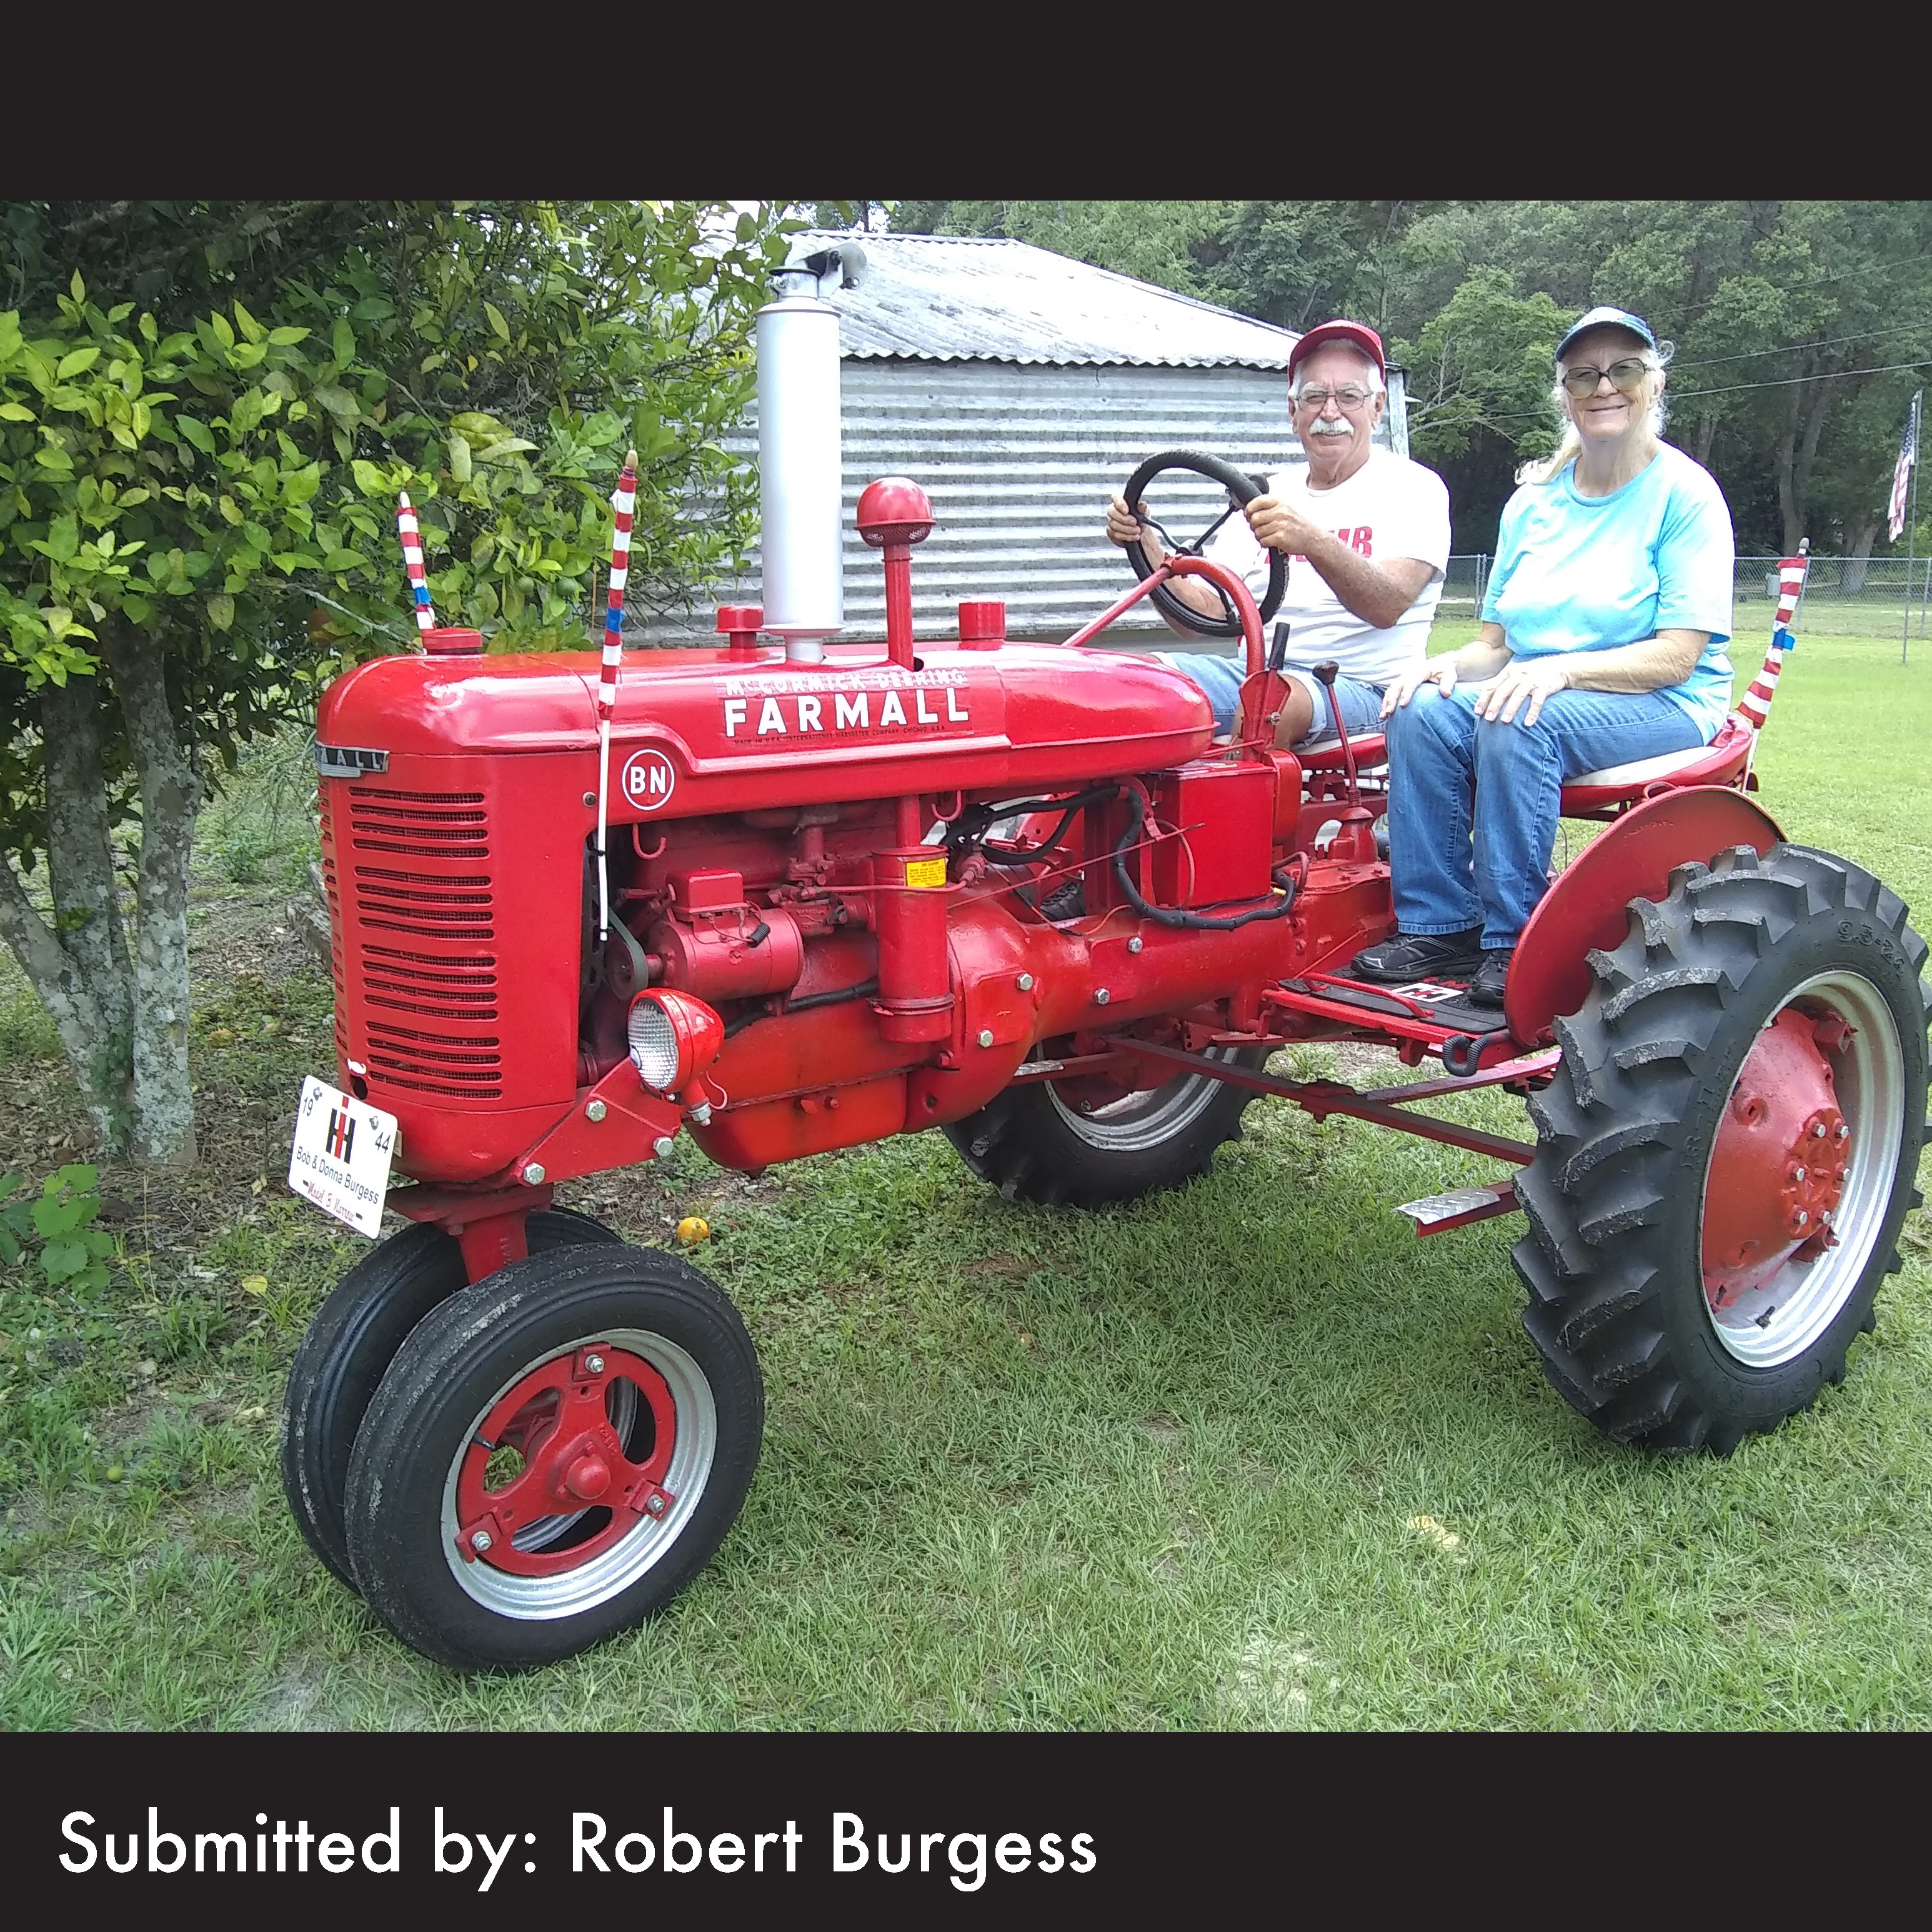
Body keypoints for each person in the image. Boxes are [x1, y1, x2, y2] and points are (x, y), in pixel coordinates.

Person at [1352, 306, 1736, 1005]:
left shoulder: (1684, 495)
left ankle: (1513, 938)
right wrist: (1444, 666)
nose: (1602, 386)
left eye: (1623, 369)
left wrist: (1559, 671)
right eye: (1582, 375)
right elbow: (1494, 645)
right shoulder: (1532, 503)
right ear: (1562, 393)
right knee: (1418, 712)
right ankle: (1441, 923)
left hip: (1658, 700)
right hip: (1539, 688)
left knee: (1520, 717)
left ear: (1653, 385)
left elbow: (1677, 656)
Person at [1103, 321, 1451, 749]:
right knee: (1128, 686)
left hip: (1367, 691)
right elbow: (1205, 618)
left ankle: (1224, 817)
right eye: (1314, 397)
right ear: (1293, 413)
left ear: (1377, 408)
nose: (1330, 412)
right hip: (1256, 673)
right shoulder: (1266, 494)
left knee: (1269, 705)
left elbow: (1387, 605)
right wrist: (1145, 543)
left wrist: (1313, 541)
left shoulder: (1414, 487)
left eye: (1348, 396)